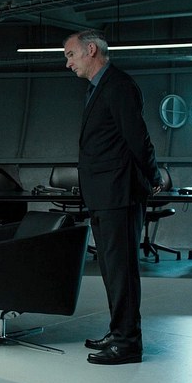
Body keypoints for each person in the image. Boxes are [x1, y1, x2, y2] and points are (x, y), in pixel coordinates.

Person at [63, 30, 162, 365]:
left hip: (120, 193)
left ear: (91, 50)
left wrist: (154, 176)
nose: (68, 63)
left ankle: (128, 344)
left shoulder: (118, 85)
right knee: (111, 269)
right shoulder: (99, 87)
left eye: (71, 55)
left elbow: (137, 137)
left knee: (122, 272)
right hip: (104, 194)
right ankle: (119, 331)